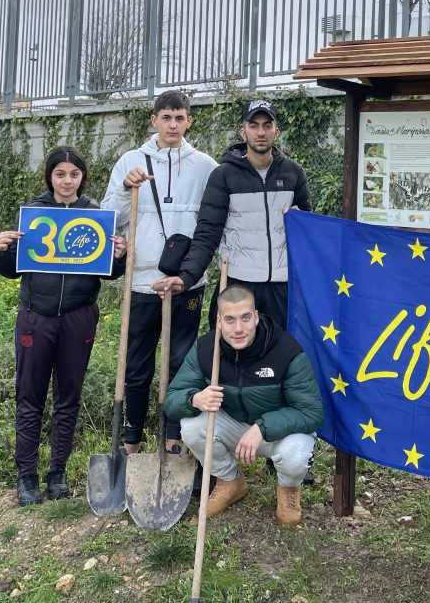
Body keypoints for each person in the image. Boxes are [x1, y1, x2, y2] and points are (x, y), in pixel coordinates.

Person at [0, 145, 126, 506]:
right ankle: (27, 476)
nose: (67, 181)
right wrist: (0, 248)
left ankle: (58, 473)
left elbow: (108, 273)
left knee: (69, 395)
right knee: (29, 396)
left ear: (83, 177)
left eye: (74, 174)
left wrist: (119, 257)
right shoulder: (34, 215)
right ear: (50, 177)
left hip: (79, 318)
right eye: (60, 174)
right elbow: (11, 268)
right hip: (36, 316)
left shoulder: (96, 216)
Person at [101, 90, 217, 455]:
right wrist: (125, 188)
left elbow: (210, 223)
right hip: (140, 280)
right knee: (136, 366)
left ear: (189, 121)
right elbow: (110, 217)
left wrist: (193, 271)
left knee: (181, 363)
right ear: (153, 120)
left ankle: (173, 437)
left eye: (180, 118)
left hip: (186, 283)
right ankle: (131, 440)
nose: (173, 124)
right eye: (166, 117)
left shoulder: (205, 166)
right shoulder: (131, 161)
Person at [164, 284, 323, 527]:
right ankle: (229, 482)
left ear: (256, 317)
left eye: (245, 318)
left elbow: (311, 413)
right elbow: (172, 400)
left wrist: (262, 427)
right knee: (191, 428)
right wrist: (194, 399)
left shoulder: (285, 350)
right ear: (219, 321)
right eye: (230, 320)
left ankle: (289, 490)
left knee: (296, 452)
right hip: (233, 425)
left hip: (275, 432)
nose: (238, 329)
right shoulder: (206, 349)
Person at [158, 99, 311, 330]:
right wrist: (187, 276)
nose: (261, 132)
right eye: (254, 125)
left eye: (267, 125)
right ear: (243, 131)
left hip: (282, 285)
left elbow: (307, 229)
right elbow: (207, 232)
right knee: (232, 355)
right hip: (239, 282)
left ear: (276, 131)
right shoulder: (223, 175)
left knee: (281, 356)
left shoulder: (293, 173)